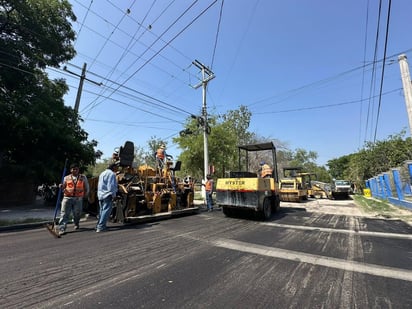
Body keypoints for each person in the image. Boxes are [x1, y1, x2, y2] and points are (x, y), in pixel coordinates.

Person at [58, 163, 90, 236]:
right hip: (67, 197)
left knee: (77, 213)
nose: (75, 170)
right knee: (64, 213)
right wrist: (61, 186)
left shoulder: (83, 177)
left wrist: (86, 194)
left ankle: (76, 223)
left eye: (76, 169)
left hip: (78, 198)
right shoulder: (66, 177)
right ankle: (62, 228)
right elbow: (63, 187)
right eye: (73, 169)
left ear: (78, 170)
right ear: (70, 170)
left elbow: (86, 187)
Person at [96, 162, 119, 232]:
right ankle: (101, 227)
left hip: (100, 194)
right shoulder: (111, 174)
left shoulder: (102, 173)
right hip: (107, 194)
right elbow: (111, 186)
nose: (117, 168)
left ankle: (98, 225)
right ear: (113, 167)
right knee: (106, 211)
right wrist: (114, 195)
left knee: (101, 211)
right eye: (116, 167)